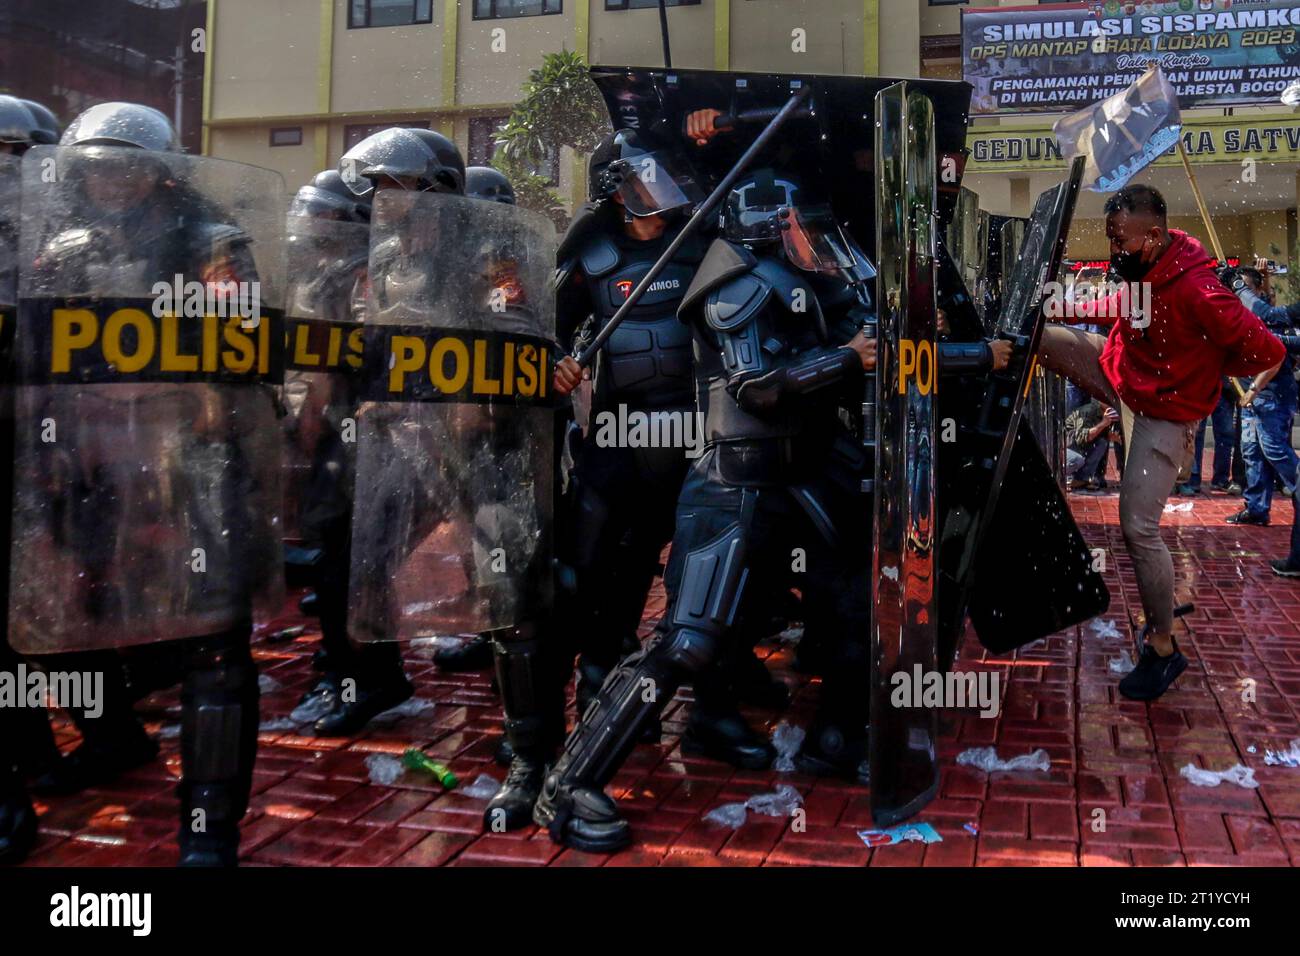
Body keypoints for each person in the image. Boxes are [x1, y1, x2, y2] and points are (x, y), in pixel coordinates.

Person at [534, 169, 1011, 852]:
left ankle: (837, 737)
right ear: (766, 225)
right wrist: (845, 360)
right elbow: (757, 387)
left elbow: (885, 351)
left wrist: (975, 355)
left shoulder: (805, 283)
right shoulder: (737, 284)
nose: (809, 238)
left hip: (800, 478)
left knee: (852, 603)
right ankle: (574, 779)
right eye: (795, 224)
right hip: (733, 486)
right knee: (690, 639)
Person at [7, 102, 289, 865]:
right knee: (62, 615)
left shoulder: (212, 240)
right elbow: (33, 360)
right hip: (88, 459)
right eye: (97, 164)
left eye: (127, 162)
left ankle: (209, 829)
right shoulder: (58, 246)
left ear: (162, 170)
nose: (113, 177)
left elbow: (246, 348)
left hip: (192, 458)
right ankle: (106, 742)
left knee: (214, 646)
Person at [1037, 184, 1285, 701]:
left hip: (1162, 414)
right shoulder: (1147, 271)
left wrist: (1203, 374)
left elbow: (1268, 350)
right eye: (1110, 240)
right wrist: (1051, 306)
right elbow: (1116, 308)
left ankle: (1163, 647)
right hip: (1119, 377)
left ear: (1153, 234)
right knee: (1035, 335)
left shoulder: (1200, 291)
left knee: (1137, 527)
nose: (1113, 252)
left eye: (1119, 241)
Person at [1223, 264, 1299, 526]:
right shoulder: (1242, 319)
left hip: (1270, 396)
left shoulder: (1266, 320)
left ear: (1255, 293)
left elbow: (1274, 358)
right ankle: (1256, 508)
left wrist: (1253, 391)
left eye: (1244, 292)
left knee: (1275, 451)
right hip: (1251, 398)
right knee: (1251, 453)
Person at [1065, 399, 1119, 490]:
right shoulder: (1089, 412)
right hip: (1065, 449)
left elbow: (1100, 437)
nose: (1112, 403)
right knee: (1077, 459)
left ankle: (1081, 479)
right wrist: (1103, 424)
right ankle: (1067, 478)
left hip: (1077, 446)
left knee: (1102, 443)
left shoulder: (1107, 414)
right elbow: (1080, 439)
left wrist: (1112, 436)